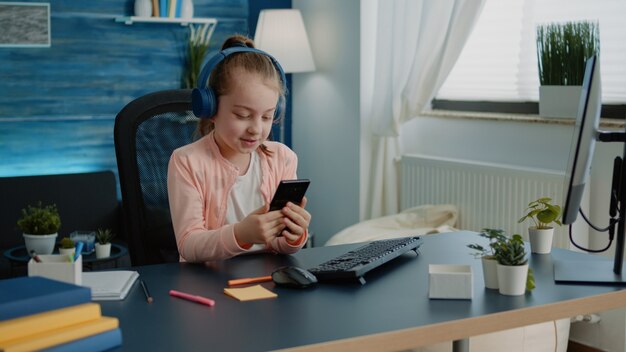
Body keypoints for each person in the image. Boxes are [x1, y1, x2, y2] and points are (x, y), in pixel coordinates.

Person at [167, 34, 311, 262]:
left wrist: (293, 236)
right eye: (243, 115)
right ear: (210, 108)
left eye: (266, 116)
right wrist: (241, 234)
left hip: (266, 282)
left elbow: (280, 245)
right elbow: (188, 245)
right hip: (209, 284)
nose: (256, 129)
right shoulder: (187, 162)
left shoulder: (282, 158)